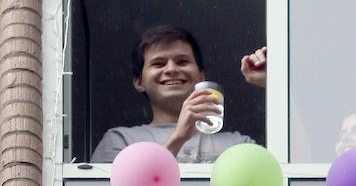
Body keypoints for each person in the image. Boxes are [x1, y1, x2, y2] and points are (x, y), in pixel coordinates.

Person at [91, 25, 267, 164]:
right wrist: (178, 137)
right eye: (158, 64)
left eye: (182, 62)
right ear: (139, 82)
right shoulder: (121, 141)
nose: (172, 69)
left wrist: (271, 83)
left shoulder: (237, 144)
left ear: (201, 76)